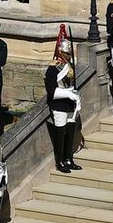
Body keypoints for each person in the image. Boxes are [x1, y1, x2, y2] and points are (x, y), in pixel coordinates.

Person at [45, 25, 82, 174]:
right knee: (60, 134)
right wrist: (68, 94)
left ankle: (68, 158)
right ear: (61, 52)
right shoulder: (53, 69)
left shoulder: (69, 67)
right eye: (67, 53)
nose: (69, 55)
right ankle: (59, 160)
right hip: (59, 105)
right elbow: (52, 91)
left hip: (70, 105)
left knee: (71, 133)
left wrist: (74, 95)